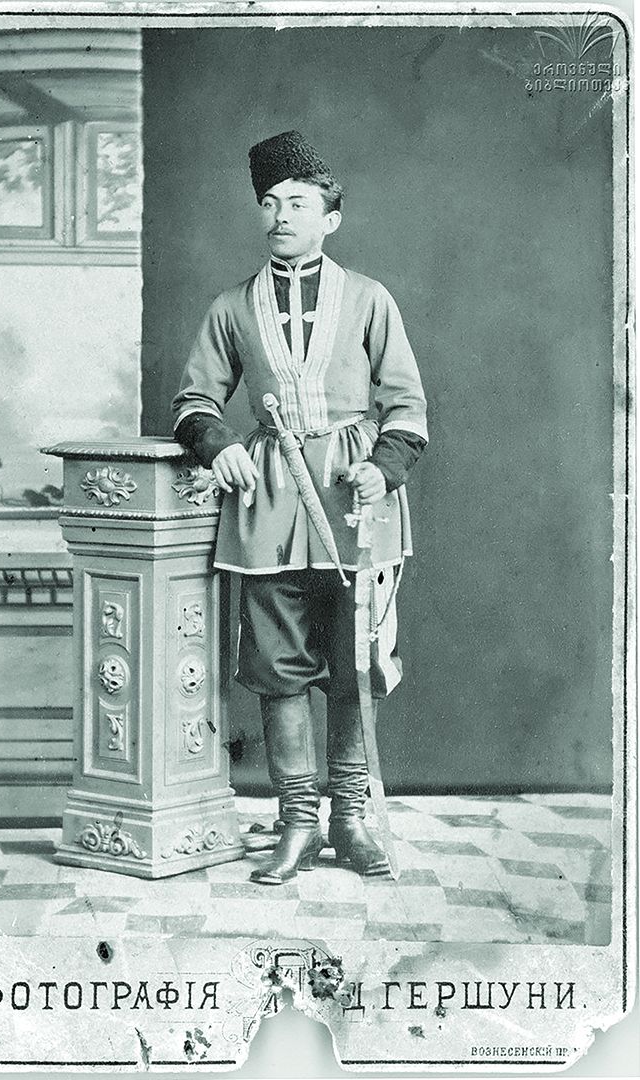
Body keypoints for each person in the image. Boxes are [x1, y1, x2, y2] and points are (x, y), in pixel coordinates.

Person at [171, 131, 428, 885]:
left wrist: (383, 469)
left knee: (355, 663)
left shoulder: (371, 299)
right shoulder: (231, 306)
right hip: (268, 503)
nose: (281, 215)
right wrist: (218, 445)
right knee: (278, 667)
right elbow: (194, 400)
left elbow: (407, 405)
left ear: (331, 218)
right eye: (270, 203)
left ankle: (350, 820)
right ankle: (297, 824)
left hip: (355, 505)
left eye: (299, 202)